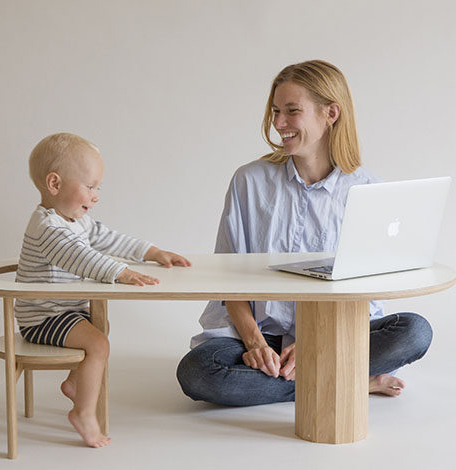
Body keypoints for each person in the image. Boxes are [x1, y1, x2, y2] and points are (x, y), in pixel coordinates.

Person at [176, 60, 433, 407]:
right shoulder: (249, 181)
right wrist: (255, 344)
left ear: (331, 113)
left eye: (292, 111)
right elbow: (228, 278)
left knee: (415, 331)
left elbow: (366, 292)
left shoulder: (367, 189)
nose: (279, 123)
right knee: (197, 372)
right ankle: (349, 379)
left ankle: (315, 373)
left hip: (333, 336)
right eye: (276, 111)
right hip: (255, 334)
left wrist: (316, 344)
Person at [17, 133, 190, 447]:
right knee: (99, 346)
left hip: (64, 310)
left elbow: (109, 238)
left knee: (101, 326)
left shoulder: (75, 220)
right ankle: (83, 413)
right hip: (42, 317)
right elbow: (81, 258)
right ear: (54, 184)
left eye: (98, 188)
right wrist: (120, 273)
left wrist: (151, 252)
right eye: (90, 186)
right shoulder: (47, 227)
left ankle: (75, 383)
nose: (95, 196)